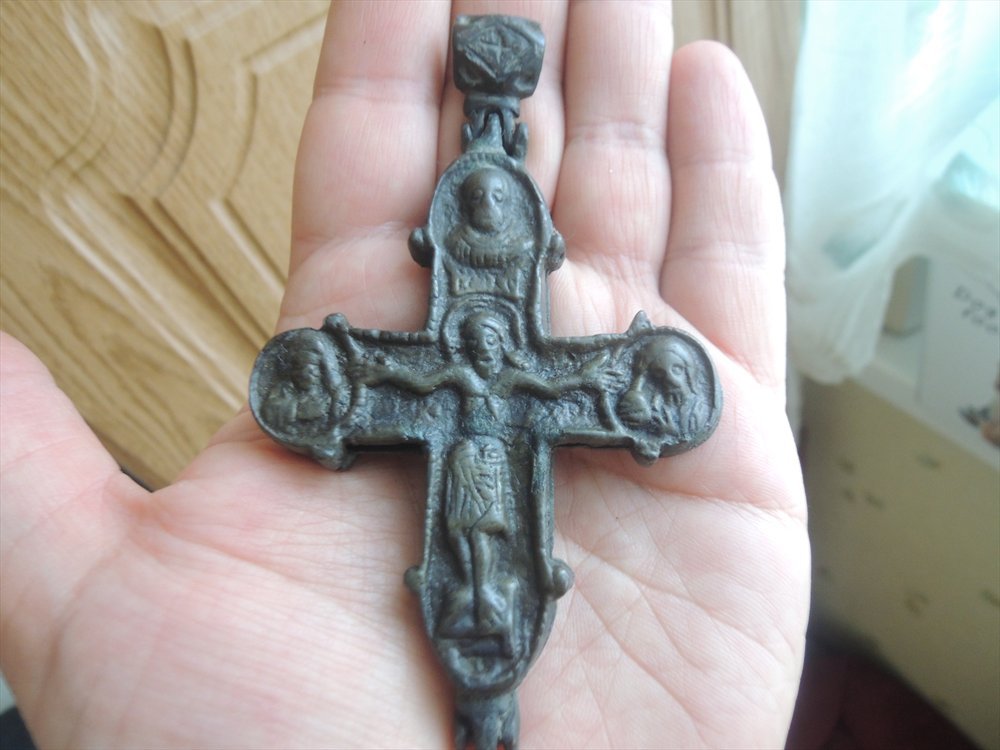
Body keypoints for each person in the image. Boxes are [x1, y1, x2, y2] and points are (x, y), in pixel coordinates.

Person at [0, 2, 808, 748]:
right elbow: (400, 383)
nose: (485, 353)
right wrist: (358, 373)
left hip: (491, 469)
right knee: (469, 546)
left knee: (492, 547)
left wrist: (609, 386)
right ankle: (482, 610)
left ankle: (487, 613)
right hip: (468, 468)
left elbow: (566, 387)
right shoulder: (448, 373)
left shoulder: (517, 375)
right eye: (478, 343)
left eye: (492, 345)